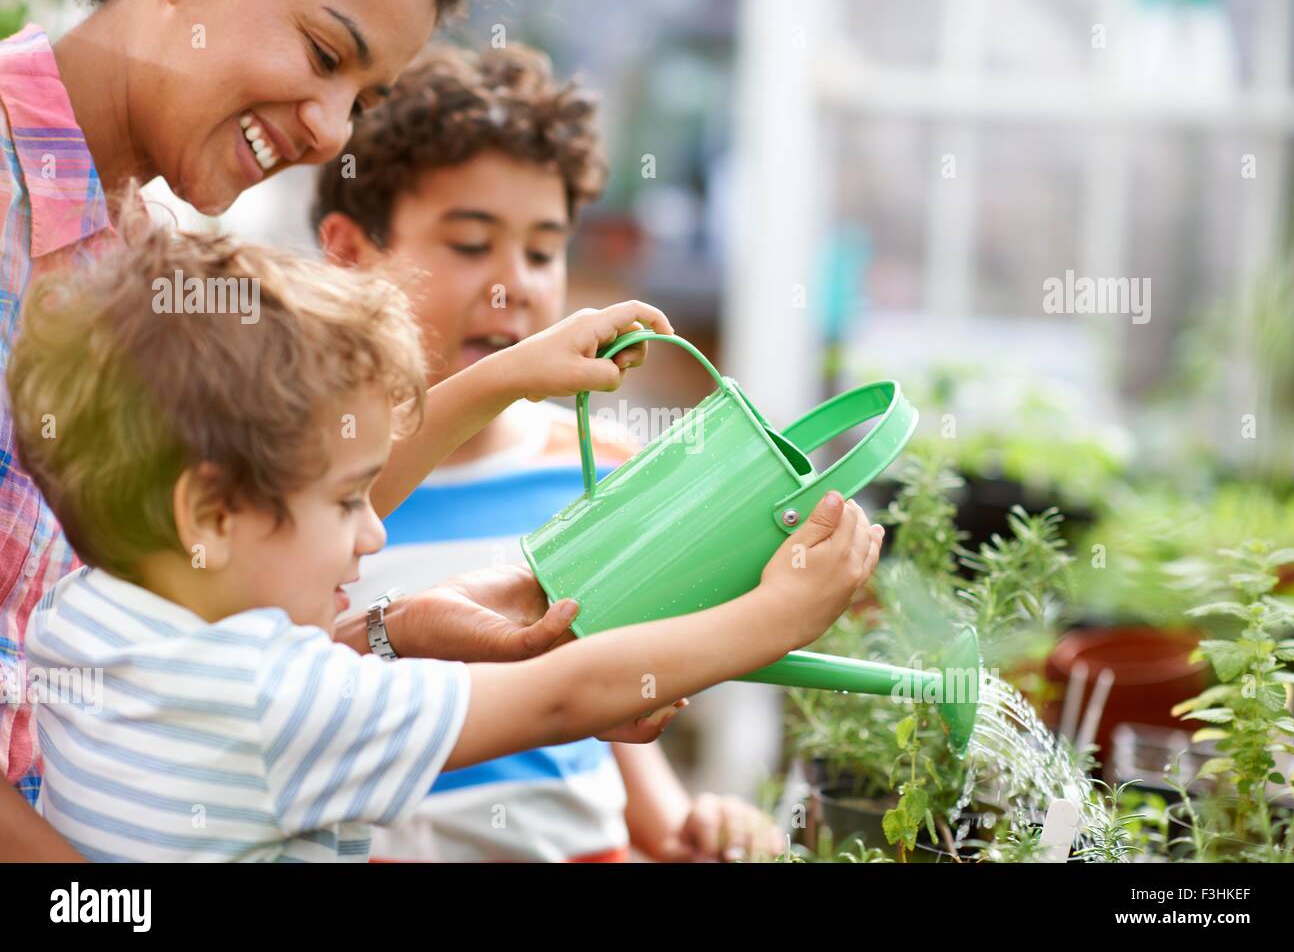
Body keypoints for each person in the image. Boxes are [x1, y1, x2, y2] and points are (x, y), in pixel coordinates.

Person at [9, 215, 884, 860]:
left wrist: (398, 629)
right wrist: (774, 618)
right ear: (207, 514)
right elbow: (559, 696)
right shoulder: (281, 702)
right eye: (349, 499)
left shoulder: (81, 612)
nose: (375, 529)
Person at [315, 45, 790, 862]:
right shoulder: (311, 489)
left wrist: (686, 828)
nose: (514, 286)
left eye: (541, 250)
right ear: (350, 250)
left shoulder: (600, 469)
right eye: (469, 244)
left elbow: (604, 724)